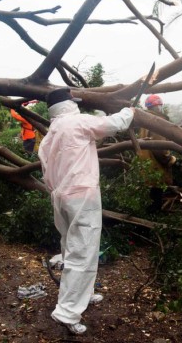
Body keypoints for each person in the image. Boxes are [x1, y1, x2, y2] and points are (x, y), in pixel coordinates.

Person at [38, 87, 134, 335]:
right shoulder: (77, 121)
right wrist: (130, 110)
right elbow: (116, 123)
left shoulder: (51, 134)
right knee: (83, 251)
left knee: (71, 247)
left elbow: (46, 171)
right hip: (82, 196)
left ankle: (85, 293)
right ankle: (67, 313)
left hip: (60, 197)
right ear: (68, 105)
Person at [138, 94, 176, 212]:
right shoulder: (156, 122)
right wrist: (170, 159)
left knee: (151, 197)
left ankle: (149, 218)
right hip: (156, 167)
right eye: (158, 106)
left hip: (147, 166)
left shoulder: (145, 120)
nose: (159, 108)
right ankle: (154, 224)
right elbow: (159, 148)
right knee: (156, 200)